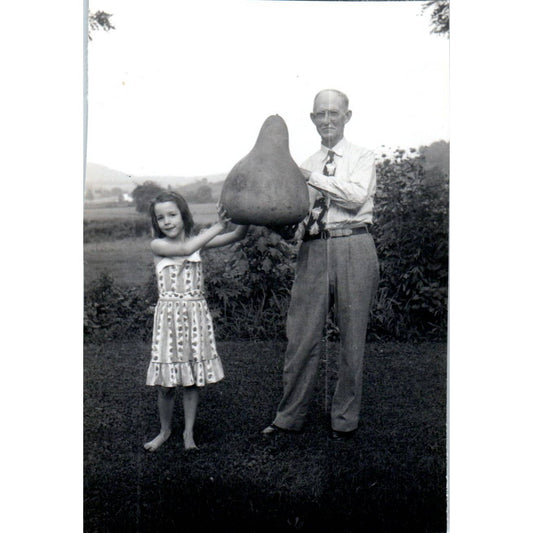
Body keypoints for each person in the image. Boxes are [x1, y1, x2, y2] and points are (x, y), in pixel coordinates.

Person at [262, 89, 379, 441]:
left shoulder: (361, 157)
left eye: (333, 113)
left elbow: (356, 197)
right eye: (320, 114)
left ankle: (344, 420)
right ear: (312, 119)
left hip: (354, 244)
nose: (327, 120)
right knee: (300, 337)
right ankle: (289, 417)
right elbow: (300, 223)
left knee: (352, 339)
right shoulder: (305, 163)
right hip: (313, 251)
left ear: (347, 116)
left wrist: (309, 176)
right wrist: (274, 222)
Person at [144, 191, 248, 451]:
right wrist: (218, 226)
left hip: (194, 316)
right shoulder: (158, 246)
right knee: (166, 383)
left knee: (191, 379)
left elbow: (237, 235)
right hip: (168, 319)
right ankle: (165, 431)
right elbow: (185, 249)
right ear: (156, 223)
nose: (166, 221)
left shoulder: (197, 241)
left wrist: (247, 212)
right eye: (160, 218)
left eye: (172, 215)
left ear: (183, 215)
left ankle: (188, 433)